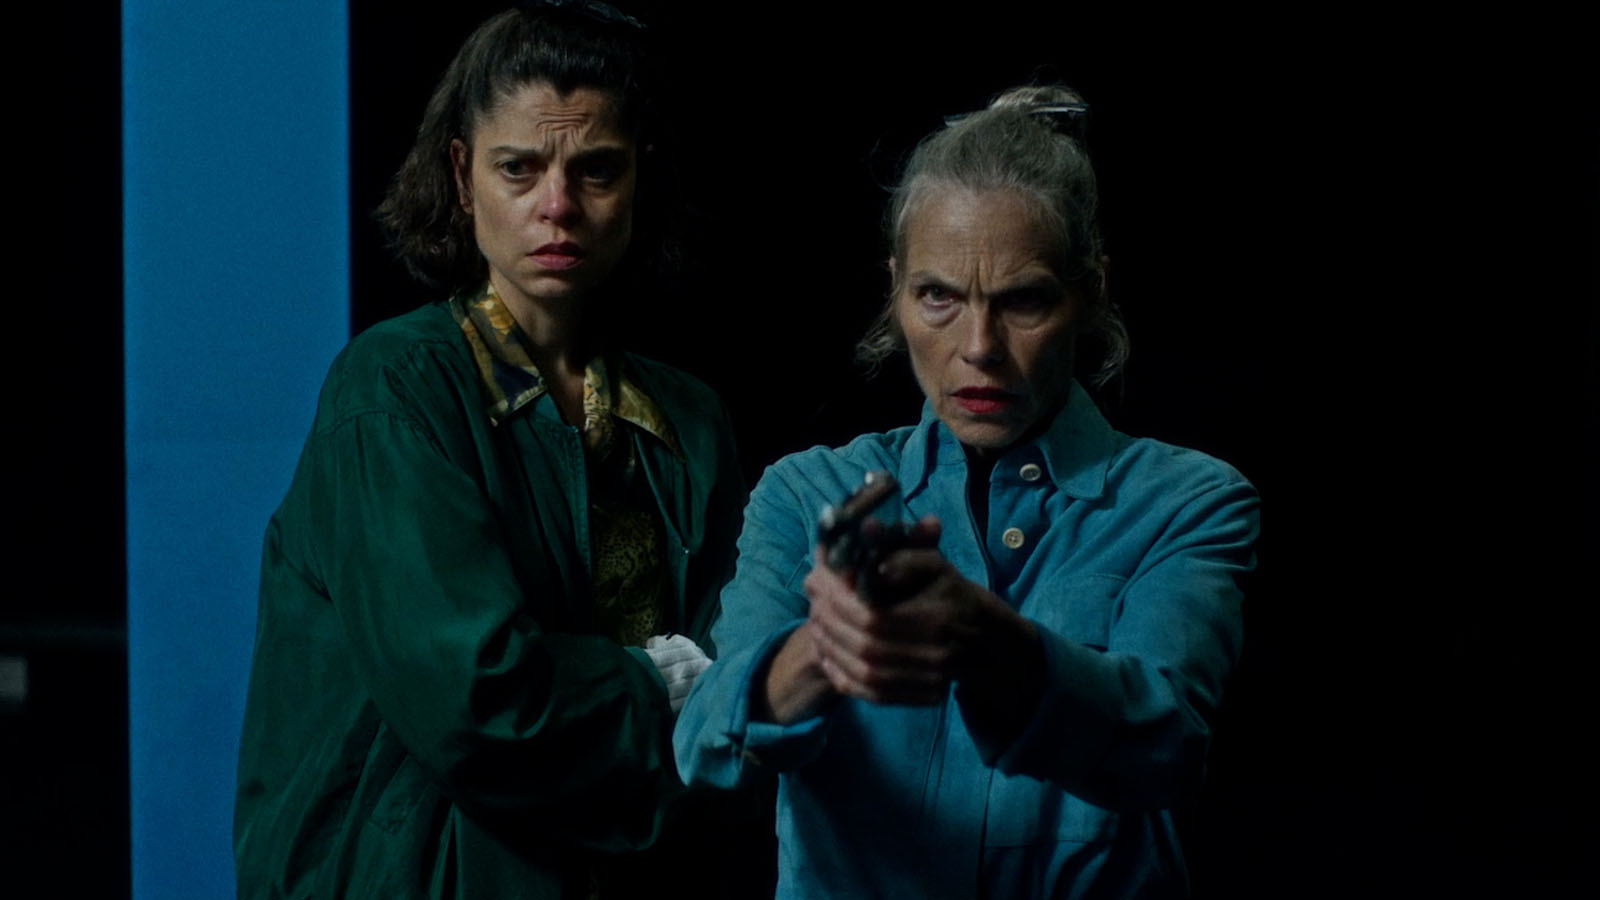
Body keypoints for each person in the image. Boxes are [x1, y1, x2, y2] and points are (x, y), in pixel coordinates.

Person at [674, 84, 1261, 898]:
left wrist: (993, 645)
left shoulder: (1187, 502)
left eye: (1024, 300)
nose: (979, 346)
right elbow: (706, 746)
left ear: (1090, 290)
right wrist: (824, 649)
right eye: (939, 296)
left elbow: (1165, 746)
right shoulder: (806, 491)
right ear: (896, 291)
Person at [234, 4, 755, 897]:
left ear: (640, 179)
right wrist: (665, 683)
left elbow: (743, 698)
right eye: (519, 168)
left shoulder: (690, 418)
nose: (558, 206)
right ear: (462, 175)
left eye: (596, 169)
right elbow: (484, 704)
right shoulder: (394, 390)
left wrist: (709, 694)